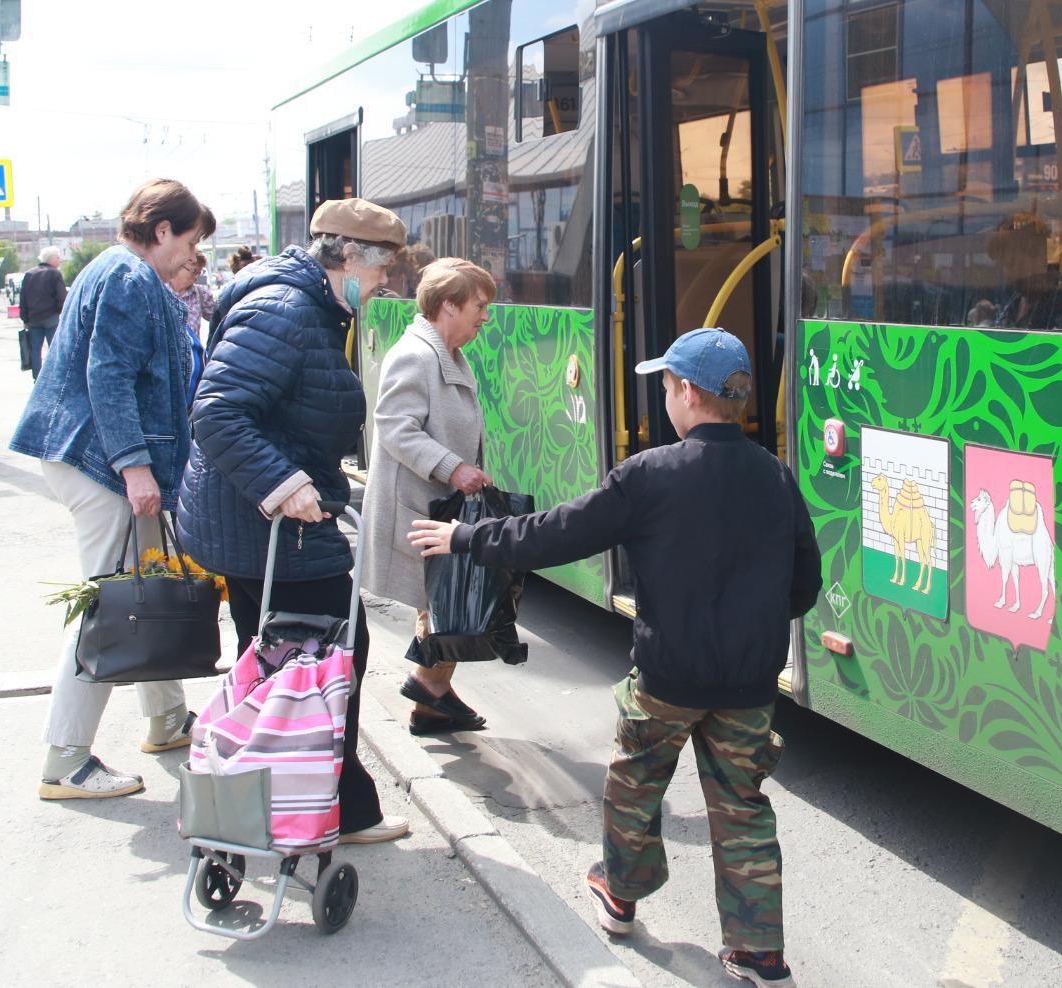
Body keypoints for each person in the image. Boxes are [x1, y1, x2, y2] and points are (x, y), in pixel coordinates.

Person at [410, 328, 823, 987]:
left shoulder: (651, 475)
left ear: (690, 393)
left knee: (634, 784)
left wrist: (466, 536)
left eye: (665, 385)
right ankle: (758, 953)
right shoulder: (774, 476)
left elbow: (553, 534)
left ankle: (621, 897)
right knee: (743, 804)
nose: (663, 397)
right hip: (749, 682)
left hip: (667, 675)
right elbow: (805, 584)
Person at [178, 197, 411, 845]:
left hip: (260, 526)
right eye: (382, 269)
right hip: (272, 526)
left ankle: (291, 804)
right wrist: (284, 484)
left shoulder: (303, 304)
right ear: (347, 258)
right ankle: (324, 807)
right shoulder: (284, 311)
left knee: (285, 667)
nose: (386, 283)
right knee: (331, 657)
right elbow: (219, 413)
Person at [10, 177, 212, 800]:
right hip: (104, 465)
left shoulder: (116, 269)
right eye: (190, 241)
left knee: (147, 583)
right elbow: (110, 375)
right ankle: (65, 758)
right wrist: (135, 466)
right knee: (105, 606)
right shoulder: (130, 277)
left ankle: (167, 717)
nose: (191, 256)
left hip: (98, 460)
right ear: (162, 231)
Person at [361, 258, 494, 735]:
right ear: (448, 306)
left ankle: (431, 699)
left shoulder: (445, 352)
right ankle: (427, 685)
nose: (485, 317)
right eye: (479, 307)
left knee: (445, 600)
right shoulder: (416, 355)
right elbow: (395, 426)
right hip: (421, 504)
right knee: (447, 601)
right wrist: (453, 468)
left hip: (437, 503)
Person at [19, 245, 69, 380]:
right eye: (58, 257)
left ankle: (37, 378)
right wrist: (62, 314)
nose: (60, 260)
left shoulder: (29, 274)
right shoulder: (54, 274)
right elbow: (62, 297)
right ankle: (56, 377)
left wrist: (25, 319)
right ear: (51, 258)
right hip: (51, 318)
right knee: (54, 349)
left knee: (35, 350)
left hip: (33, 319)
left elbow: (23, 298)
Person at [171, 249, 217, 342]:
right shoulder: (159, 290)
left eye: (199, 273)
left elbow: (217, 319)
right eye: (193, 271)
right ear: (178, 266)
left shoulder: (202, 293)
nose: (196, 277)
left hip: (191, 353)